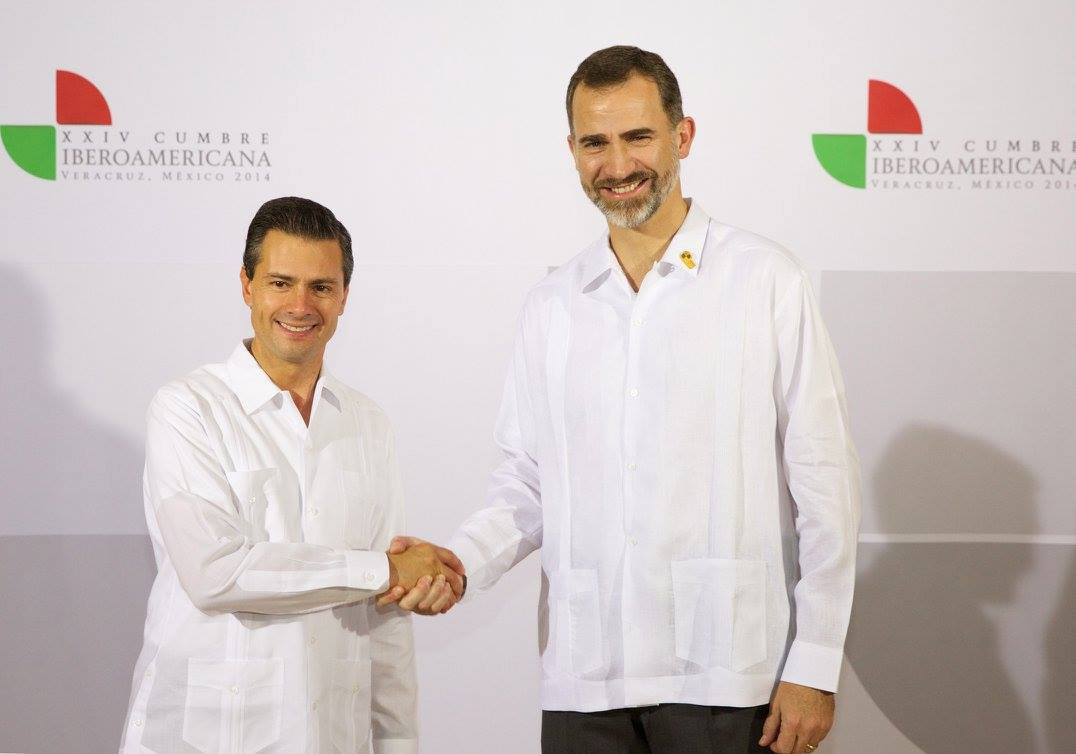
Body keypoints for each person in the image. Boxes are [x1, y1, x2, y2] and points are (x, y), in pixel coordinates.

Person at [383, 46, 861, 754]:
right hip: (585, 679)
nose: (616, 165)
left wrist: (815, 663)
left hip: (727, 677)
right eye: (595, 143)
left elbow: (825, 485)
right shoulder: (552, 303)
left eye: (638, 137)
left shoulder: (764, 281)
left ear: (682, 136)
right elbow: (527, 482)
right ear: (572, 151)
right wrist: (460, 562)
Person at [120, 197, 463, 754]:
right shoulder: (188, 408)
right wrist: (381, 570)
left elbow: (386, 618)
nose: (301, 306)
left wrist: (398, 741)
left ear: (344, 296)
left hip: (333, 738)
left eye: (321, 287)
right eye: (281, 283)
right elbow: (215, 573)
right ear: (247, 285)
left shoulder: (368, 423)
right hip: (206, 737)